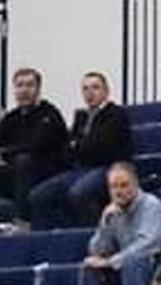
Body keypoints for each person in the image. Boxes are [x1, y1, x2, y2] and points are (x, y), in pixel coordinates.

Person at [0, 67, 71, 233]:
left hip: (48, 174)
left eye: (29, 85)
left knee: (24, 160)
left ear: (38, 89)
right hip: (19, 178)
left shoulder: (50, 114)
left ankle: (22, 222)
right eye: (20, 85)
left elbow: (34, 145)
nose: (24, 90)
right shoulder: (12, 117)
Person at [30, 71, 135, 229]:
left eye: (95, 87)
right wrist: (79, 146)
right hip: (80, 169)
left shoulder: (116, 114)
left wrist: (78, 145)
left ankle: (90, 234)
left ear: (106, 91)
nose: (90, 93)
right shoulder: (81, 117)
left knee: (79, 193)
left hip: (107, 167)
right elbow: (67, 150)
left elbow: (103, 148)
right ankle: (56, 236)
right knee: (38, 195)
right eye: (85, 89)